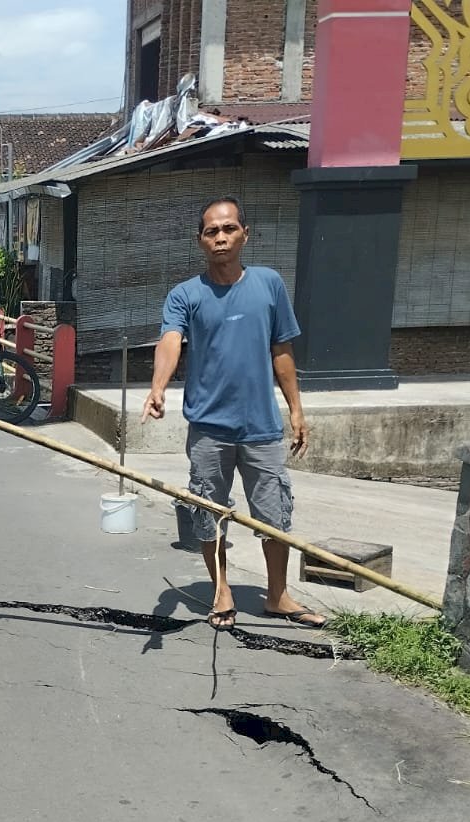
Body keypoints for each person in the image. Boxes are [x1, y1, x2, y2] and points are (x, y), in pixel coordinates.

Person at [142, 196, 325, 632]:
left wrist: (296, 410)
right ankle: (221, 588)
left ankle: (278, 595)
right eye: (211, 231)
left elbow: (282, 350)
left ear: (245, 233)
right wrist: (157, 387)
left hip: (261, 426)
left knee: (275, 513)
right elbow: (170, 340)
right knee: (209, 511)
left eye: (228, 229)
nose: (220, 237)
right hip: (209, 428)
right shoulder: (186, 294)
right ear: (200, 240)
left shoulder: (268, 284)